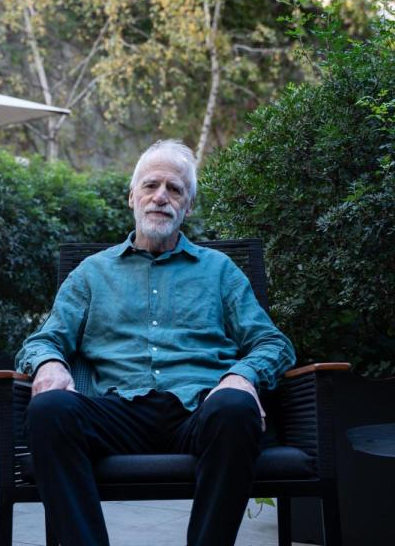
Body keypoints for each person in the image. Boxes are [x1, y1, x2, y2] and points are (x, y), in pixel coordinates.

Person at [15, 139, 296, 546]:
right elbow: (44, 339)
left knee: (235, 407)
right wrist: (48, 364)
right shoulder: (92, 273)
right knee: (49, 410)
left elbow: (272, 343)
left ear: (188, 206)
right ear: (132, 197)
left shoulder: (219, 271)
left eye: (174, 189)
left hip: (201, 411)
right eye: (150, 186)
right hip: (117, 413)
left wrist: (241, 377)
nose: (160, 197)